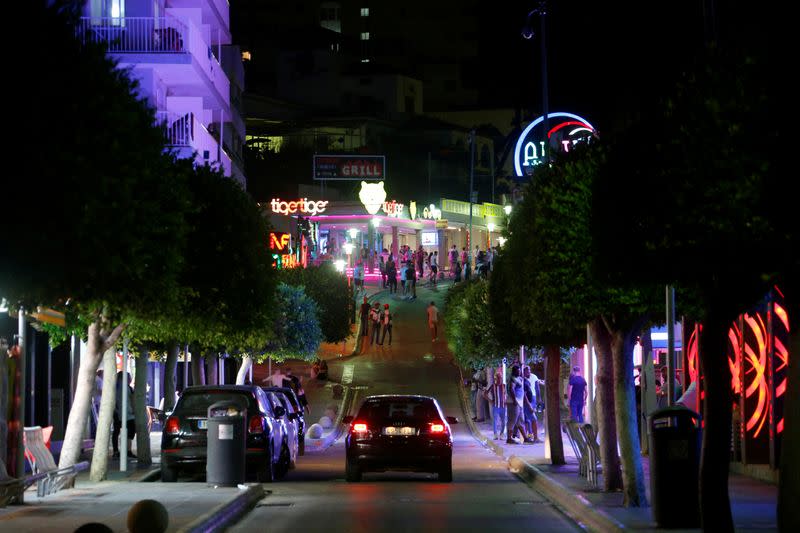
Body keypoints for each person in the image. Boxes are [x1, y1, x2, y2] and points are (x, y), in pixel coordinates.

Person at [113, 371, 137, 458]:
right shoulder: (128, 388)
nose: (130, 379)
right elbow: (133, 401)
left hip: (117, 413)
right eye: (129, 377)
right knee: (129, 433)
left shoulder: (114, 388)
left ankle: (116, 451)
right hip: (129, 414)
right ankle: (128, 451)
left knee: (116, 432)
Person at [506, 366, 529, 444]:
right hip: (514, 403)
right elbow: (511, 389)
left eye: (519, 371)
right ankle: (509, 438)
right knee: (512, 420)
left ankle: (525, 438)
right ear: (514, 371)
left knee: (520, 421)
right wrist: (514, 400)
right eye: (518, 371)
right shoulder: (512, 379)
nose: (519, 372)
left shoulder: (519, 378)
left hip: (519, 403)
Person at [523, 366, 542, 443]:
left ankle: (532, 437)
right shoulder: (523, 380)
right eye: (527, 371)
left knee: (531, 417)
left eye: (529, 370)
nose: (528, 372)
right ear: (524, 372)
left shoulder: (534, 377)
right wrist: (529, 404)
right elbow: (524, 393)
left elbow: (537, 387)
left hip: (532, 398)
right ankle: (531, 436)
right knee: (529, 419)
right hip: (526, 400)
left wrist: (539, 398)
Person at [489, 371, 506, 440]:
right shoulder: (493, 386)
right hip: (495, 406)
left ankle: (501, 434)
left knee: (504, 421)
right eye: (498, 378)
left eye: (500, 378)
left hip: (503, 406)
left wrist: (506, 401)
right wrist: (491, 401)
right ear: (495, 379)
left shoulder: (504, 386)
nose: (499, 379)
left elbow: (507, 394)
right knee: (495, 421)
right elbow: (485, 394)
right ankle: (495, 434)